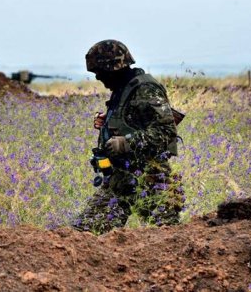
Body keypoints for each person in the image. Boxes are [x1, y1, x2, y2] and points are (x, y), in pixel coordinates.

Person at [73, 39, 184, 234]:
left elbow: (166, 132)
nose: (98, 77)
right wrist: (109, 121)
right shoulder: (123, 90)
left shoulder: (145, 89)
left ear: (114, 68)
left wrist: (125, 143)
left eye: (100, 72)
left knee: (167, 241)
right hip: (119, 180)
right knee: (84, 235)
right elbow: (135, 120)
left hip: (150, 181)